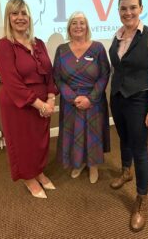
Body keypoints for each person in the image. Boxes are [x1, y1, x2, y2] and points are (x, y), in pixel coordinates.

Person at [109, 0, 148, 231]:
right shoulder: (118, 34)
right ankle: (126, 172)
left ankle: (141, 201)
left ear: (141, 8)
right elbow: (117, 69)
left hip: (139, 100)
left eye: (132, 7)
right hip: (118, 99)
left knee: (140, 149)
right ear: (119, 11)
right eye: (123, 8)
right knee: (124, 139)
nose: (128, 12)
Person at [0, 0, 57, 199]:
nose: (20, 17)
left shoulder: (38, 43)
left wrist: (50, 99)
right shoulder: (4, 45)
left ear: (30, 17)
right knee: (23, 143)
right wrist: (39, 104)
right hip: (18, 103)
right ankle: (28, 178)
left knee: (40, 141)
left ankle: (38, 171)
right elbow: (12, 82)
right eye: (15, 13)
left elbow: (49, 73)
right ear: (8, 18)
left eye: (24, 13)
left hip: (42, 102)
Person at [53, 11, 110, 184]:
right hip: (71, 103)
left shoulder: (98, 48)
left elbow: (105, 74)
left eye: (82, 23)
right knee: (75, 135)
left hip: (94, 101)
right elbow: (57, 77)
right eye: (74, 23)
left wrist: (90, 98)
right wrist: (72, 97)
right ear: (69, 27)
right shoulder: (61, 50)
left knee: (93, 135)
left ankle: (93, 166)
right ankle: (78, 163)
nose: (78, 26)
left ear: (87, 27)